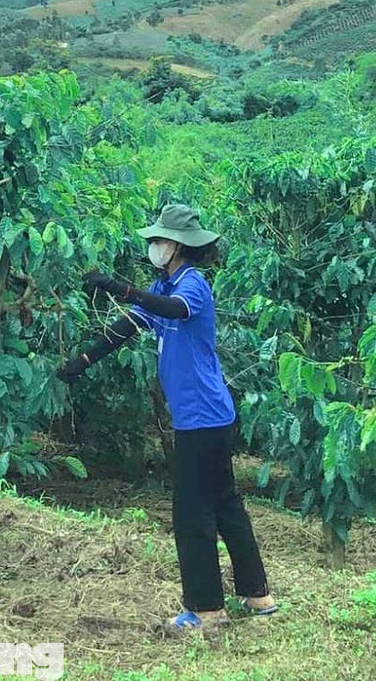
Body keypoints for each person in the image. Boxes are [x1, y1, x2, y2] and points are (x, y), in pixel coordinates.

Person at [59, 203, 276, 631]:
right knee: (225, 503)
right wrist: (82, 360)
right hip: (209, 416)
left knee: (192, 512)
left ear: (177, 245)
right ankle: (258, 595)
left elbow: (173, 309)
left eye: (158, 240)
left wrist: (119, 287)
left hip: (202, 417)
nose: (154, 246)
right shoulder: (165, 283)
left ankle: (207, 610)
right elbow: (126, 327)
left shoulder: (191, 285)